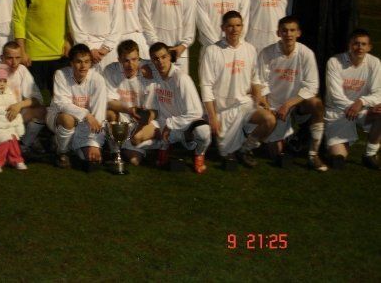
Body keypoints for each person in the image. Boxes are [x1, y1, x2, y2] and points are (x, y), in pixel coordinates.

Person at [199, 11, 276, 169]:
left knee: (270, 120)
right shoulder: (212, 51)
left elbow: (255, 79)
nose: (234, 30)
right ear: (223, 28)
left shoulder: (250, 49)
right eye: (230, 26)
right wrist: (212, 117)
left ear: (242, 27)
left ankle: (246, 148)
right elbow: (206, 86)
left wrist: (259, 99)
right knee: (227, 155)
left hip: (245, 104)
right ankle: (230, 145)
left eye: (238, 25)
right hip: (223, 109)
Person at [131, 42, 211, 173]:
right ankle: (165, 145)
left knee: (203, 131)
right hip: (163, 122)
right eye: (156, 59)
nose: (160, 62)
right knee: (136, 139)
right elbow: (137, 61)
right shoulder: (155, 72)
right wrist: (143, 66)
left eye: (163, 57)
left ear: (169, 56)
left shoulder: (181, 78)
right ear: (152, 61)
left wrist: (171, 124)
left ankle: (199, 153)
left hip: (184, 124)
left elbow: (196, 112)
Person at [258, 16, 326, 170]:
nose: (288, 34)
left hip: (297, 104)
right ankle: (290, 137)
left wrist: (288, 104)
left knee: (316, 103)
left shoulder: (306, 53)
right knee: (276, 155)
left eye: (292, 30)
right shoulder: (267, 53)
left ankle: (313, 155)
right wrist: (267, 107)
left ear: (298, 33)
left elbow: (312, 86)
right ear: (278, 33)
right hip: (275, 106)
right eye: (284, 30)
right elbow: (261, 83)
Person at [293, 0, 359, 95]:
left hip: (332, 44)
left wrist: (347, 47)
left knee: (330, 84)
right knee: (305, 82)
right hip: (306, 42)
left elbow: (350, 18)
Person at [12, 0, 73, 93]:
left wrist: (69, 41)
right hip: (34, 56)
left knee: (60, 99)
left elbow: (71, 19)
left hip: (60, 54)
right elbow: (18, 20)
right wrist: (22, 51)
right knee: (34, 100)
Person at [0, 42, 47, 154]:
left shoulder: (22, 70)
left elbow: (37, 99)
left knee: (41, 111)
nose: (14, 62)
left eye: (18, 58)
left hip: (16, 114)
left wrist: (19, 105)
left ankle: (24, 145)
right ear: (2, 57)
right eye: (10, 58)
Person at [324, 29, 381, 170]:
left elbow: (378, 92)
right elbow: (335, 96)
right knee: (338, 160)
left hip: (362, 109)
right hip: (338, 111)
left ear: (369, 47)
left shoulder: (375, 63)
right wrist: (354, 106)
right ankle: (329, 146)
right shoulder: (334, 62)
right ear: (349, 45)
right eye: (356, 43)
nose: (359, 47)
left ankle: (370, 155)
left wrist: (361, 102)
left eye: (363, 44)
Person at [47, 44, 108, 169]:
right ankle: (63, 152)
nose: (83, 66)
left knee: (90, 158)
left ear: (91, 63)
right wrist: (86, 114)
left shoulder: (98, 80)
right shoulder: (61, 74)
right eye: (79, 62)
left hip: (86, 123)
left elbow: (99, 114)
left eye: (87, 62)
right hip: (59, 116)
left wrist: (94, 144)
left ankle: (61, 141)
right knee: (68, 120)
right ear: (71, 63)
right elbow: (62, 104)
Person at [103, 40, 157, 166]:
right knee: (110, 114)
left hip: (143, 118)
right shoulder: (111, 70)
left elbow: (166, 62)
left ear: (139, 58)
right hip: (123, 116)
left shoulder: (150, 69)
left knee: (134, 160)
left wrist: (148, 67)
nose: (131, 65)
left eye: (134, 59)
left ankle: (157, 145)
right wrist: (129, 110)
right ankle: (115, 150)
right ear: (119, 60)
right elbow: (109, 102)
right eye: (126, 60)